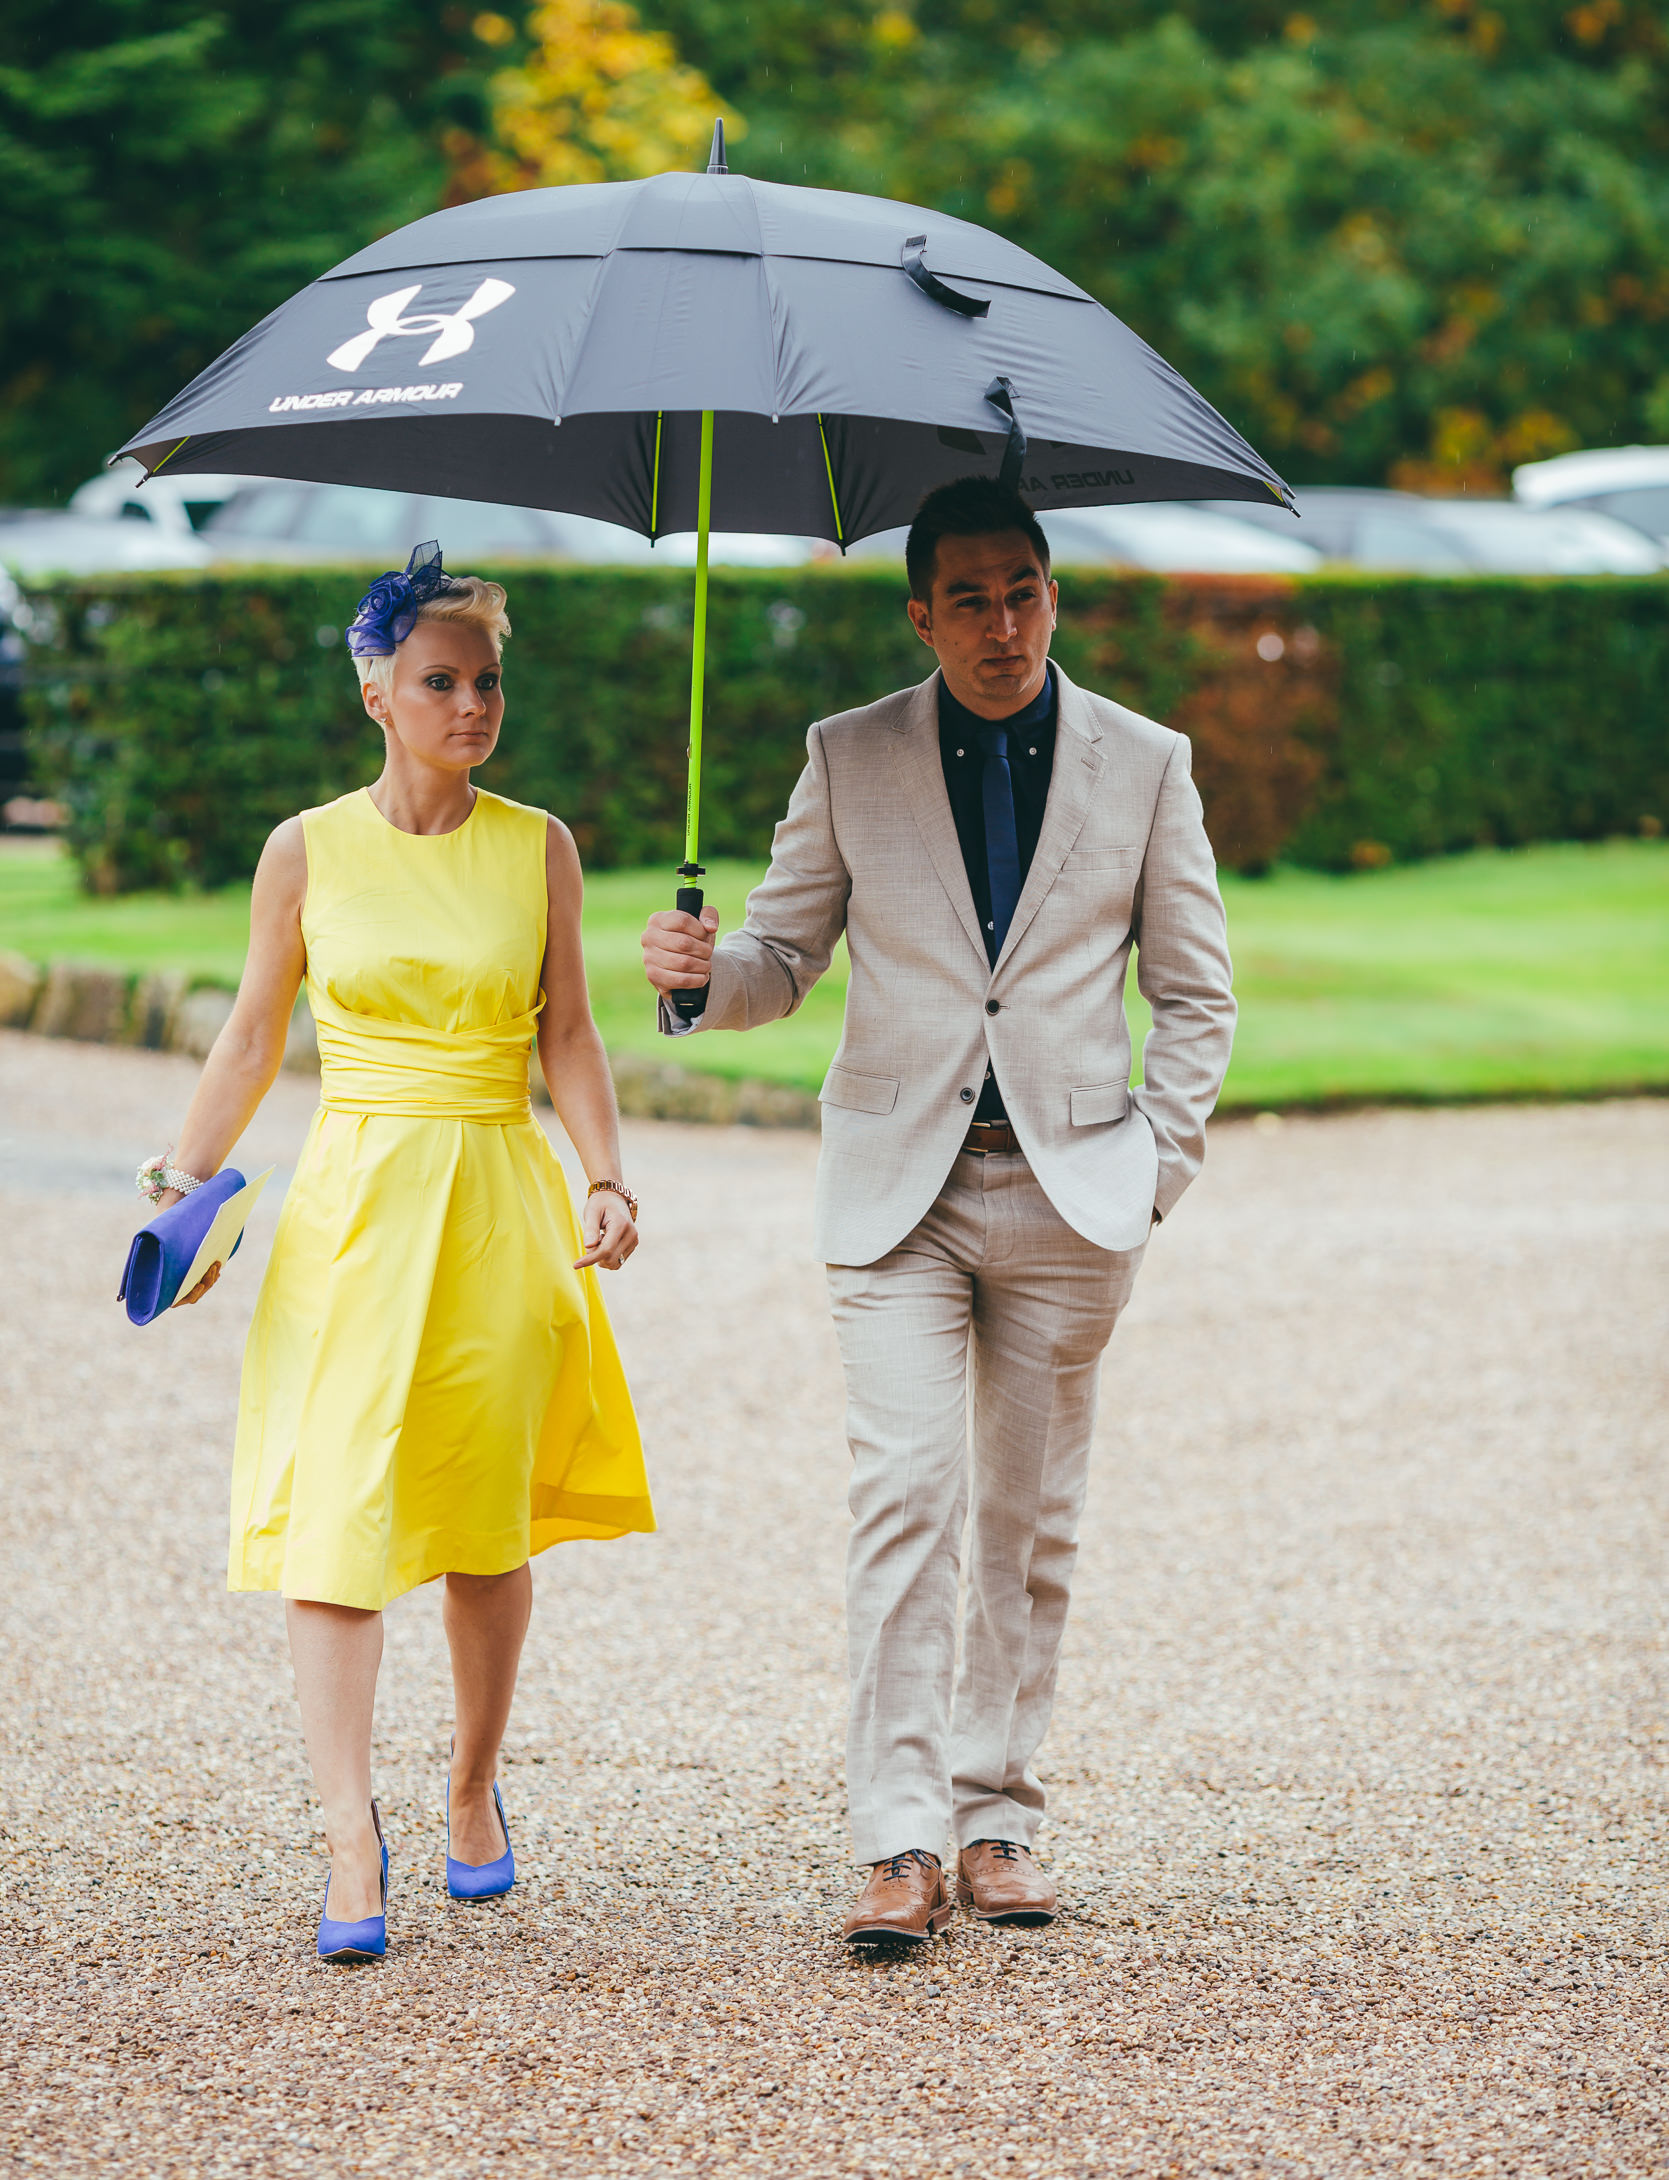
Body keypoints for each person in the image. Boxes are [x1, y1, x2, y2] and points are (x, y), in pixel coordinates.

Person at [641, 478, 1235, 1945]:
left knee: (1025, 1525)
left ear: (1054, 596)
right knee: (903, 1501)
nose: (1000, 622)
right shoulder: (846, 757)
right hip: (894, 1195)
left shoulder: (1144, 762)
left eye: (1021, 589)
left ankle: (997, 1815)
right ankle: (897, 1841)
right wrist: (697, 974)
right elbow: (780, 959)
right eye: (967, 596)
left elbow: (1195, 991)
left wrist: (1151, 1167)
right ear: (920, 613)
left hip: (1069, 1195)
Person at [140, 542, 653, 1962]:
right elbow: (252, 1034)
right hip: (354, 1203)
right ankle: (345, 1828)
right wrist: (181, 1192)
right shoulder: (304, 848)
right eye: (441, 681)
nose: (472, 704)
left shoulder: (537, 843)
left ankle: (475, 1784)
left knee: (483, 1528)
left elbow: (567, 1032)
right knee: (337, 1516)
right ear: (377, 692)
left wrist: (607, 1175)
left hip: (499, 1201)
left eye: (488, 681)